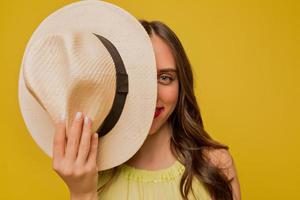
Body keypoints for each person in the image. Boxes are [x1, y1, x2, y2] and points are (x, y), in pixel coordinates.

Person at [52, 20, 241, 200]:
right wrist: (82, 194)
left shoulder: (215, 165)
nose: (152, 95)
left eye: (165, 78)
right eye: (139, 77)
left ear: (181, 85)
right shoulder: (89, 167)